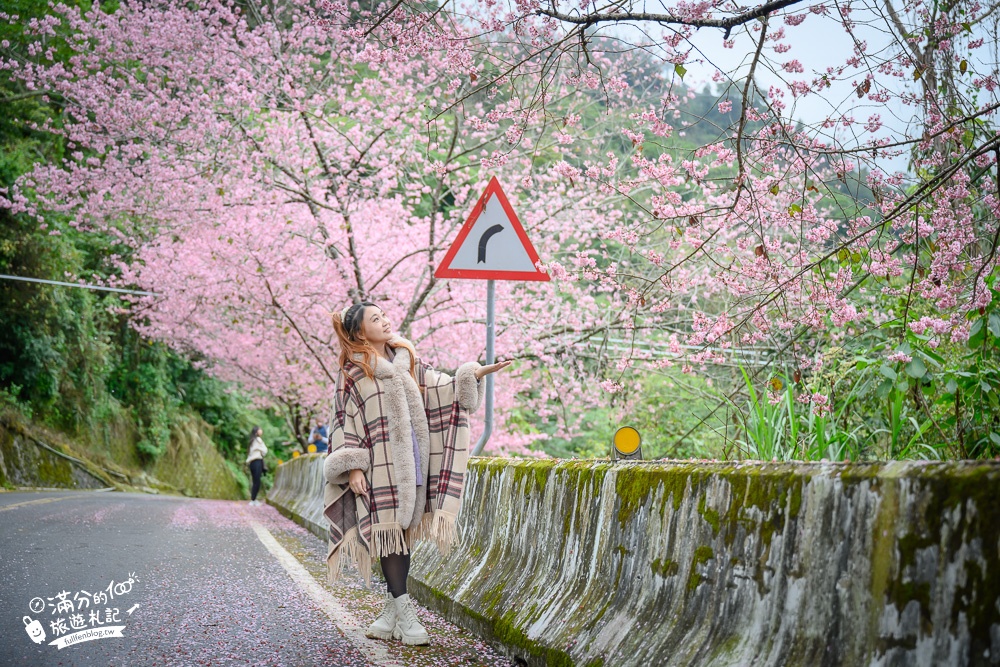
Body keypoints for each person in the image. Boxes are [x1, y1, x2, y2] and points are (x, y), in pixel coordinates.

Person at [323, 301, 510, 646]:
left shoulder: (407, 360)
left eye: (383, 315)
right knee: (389, 533)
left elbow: (443, 388)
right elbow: (342, 421)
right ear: (360, 332)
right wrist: (351, 468)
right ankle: (407, 615)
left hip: (414, 459)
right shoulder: (352, 373)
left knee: (403, 533)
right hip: (378, 464)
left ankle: (389, 614)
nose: (385, 321)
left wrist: (474, 374)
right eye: (375, 319)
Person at [245, 426, 267, 506]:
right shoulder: (258, 440)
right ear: (256, 431)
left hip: (251, 463)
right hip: (257, 461)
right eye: (260, 429)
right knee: (257, 481)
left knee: (254, 481)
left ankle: (253, 499)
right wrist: (260, 450)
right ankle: (253, 500)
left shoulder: (251, 441)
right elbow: (265, 451)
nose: (261, 430)